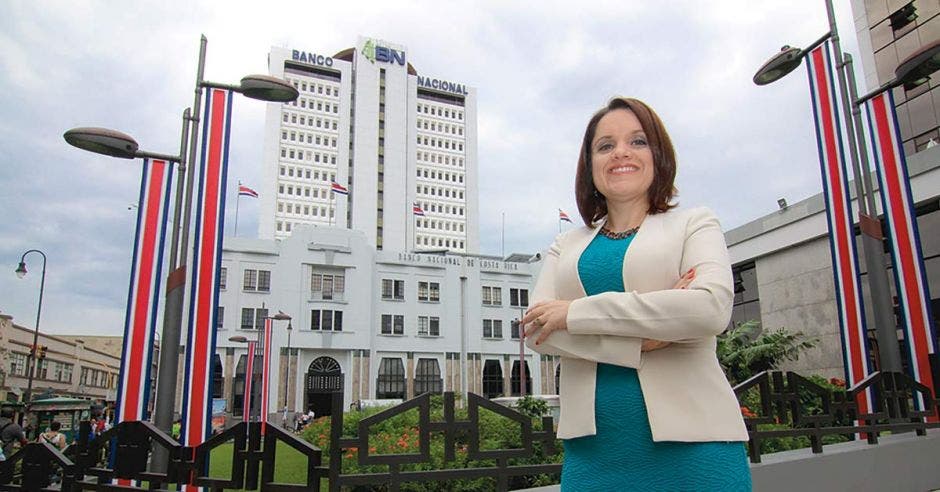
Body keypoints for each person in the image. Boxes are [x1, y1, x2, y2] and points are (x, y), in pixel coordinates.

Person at [522, 97, 751, 490]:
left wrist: (574, 312)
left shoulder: (694, 223)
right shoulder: (565, 245)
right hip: (593, 458)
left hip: (697, 451)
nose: (621, 153)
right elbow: (538, 331)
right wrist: (647, 338)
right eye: (605, 145)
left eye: (638, 141)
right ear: (589, 164)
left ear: (659, 155)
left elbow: (709, 309)